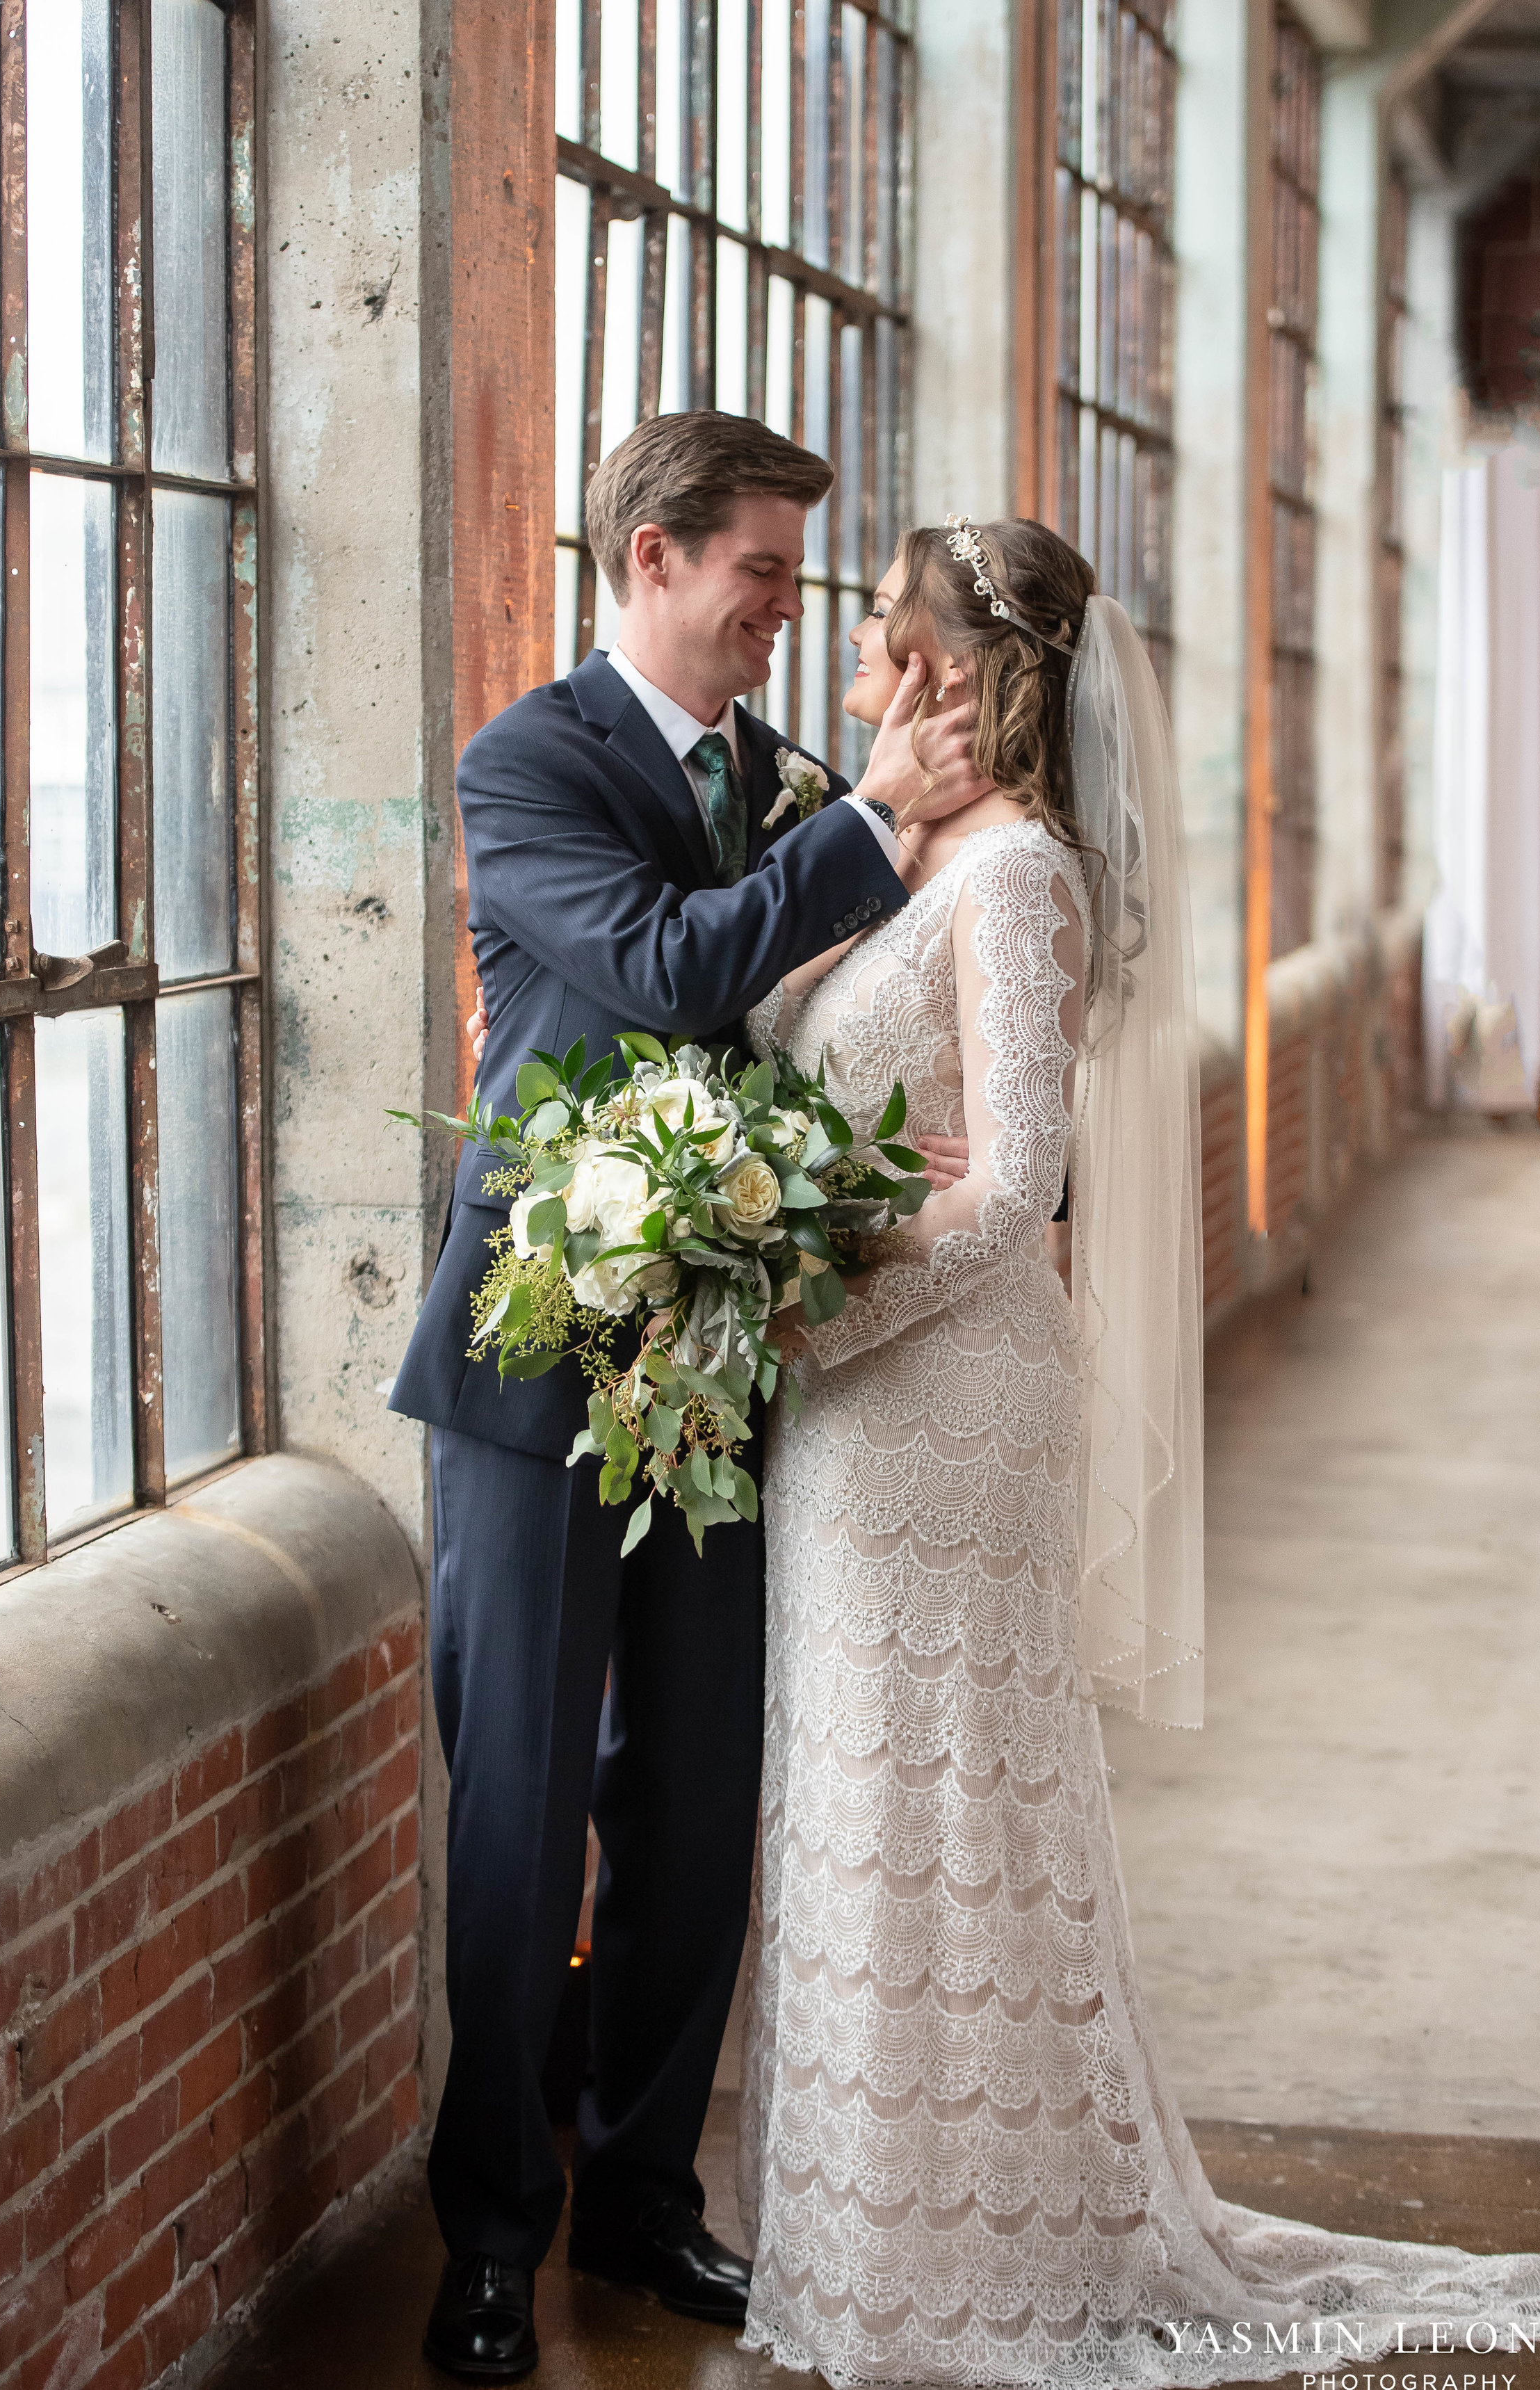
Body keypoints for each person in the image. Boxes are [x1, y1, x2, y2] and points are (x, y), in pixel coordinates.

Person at [734, 515, 1540, 2386]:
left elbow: (1015, 1187)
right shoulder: (896, 850)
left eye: (888, 634)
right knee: (853, 1805)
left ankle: (987, 2257)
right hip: (848, 1419)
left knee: (944, 1807)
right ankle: (887, 2239)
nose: (865, 662)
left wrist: (813, 1315)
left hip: (944, 1403)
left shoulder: (1021, 879)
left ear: (965, 667)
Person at [387, 410, 989, 2384]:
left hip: (732, 1357)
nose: (780, 615)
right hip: (535, 1366)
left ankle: (647, 2199)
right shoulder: (525, 759)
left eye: (795, 581)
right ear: (649, 558)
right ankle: (493, 2233)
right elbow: (654, 967)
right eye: (757, 573)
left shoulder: (785, 773)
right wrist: (865, 828)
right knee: (520, 1818)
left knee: (694, 1808)